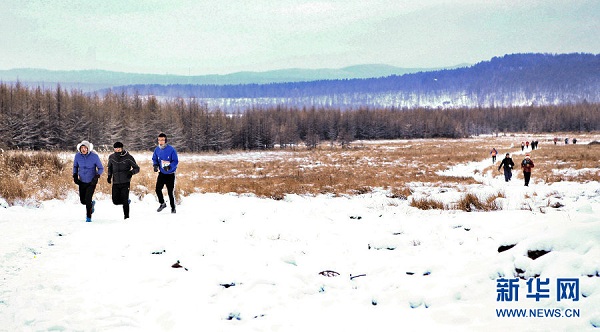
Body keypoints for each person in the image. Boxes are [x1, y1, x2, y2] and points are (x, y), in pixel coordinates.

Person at [107, 142, 140, 219]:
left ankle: (126, 217)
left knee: (124, 200)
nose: (117, 150)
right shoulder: (111, 157)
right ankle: (126, 202)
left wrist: (131, 172)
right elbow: (110, 168)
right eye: (115, 148)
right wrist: (109, 176)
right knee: (115, 201)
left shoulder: (128, 157)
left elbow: (137, 168)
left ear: (122, 148)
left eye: (119, 148)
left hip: (125, 182)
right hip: (115, 182)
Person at [73, 140, 104, 222]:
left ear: (88, 148)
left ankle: (88, 218)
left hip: (91, 182)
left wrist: (97, 176)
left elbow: (101, 168)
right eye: (82, 148)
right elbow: (75, 166)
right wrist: (75, 176)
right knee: (83, 201)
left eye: (85, 148)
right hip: (82, 181)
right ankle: (91, 205)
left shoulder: (94, 157)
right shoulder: (77, 156)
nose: (83, 149)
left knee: (88, 199)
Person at [152, 133, 179, 213]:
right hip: (162, 173)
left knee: (170, 192)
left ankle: (173, 208)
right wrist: (155, 165)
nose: (161, 141)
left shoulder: (171, 149)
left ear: (165, 140)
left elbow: (175, 161)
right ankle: (162, 203)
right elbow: (154, 158)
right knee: (157, 189)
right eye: (159, 140)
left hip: (170, 174)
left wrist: (170, 167)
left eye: (162, 140)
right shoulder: (157, 149)